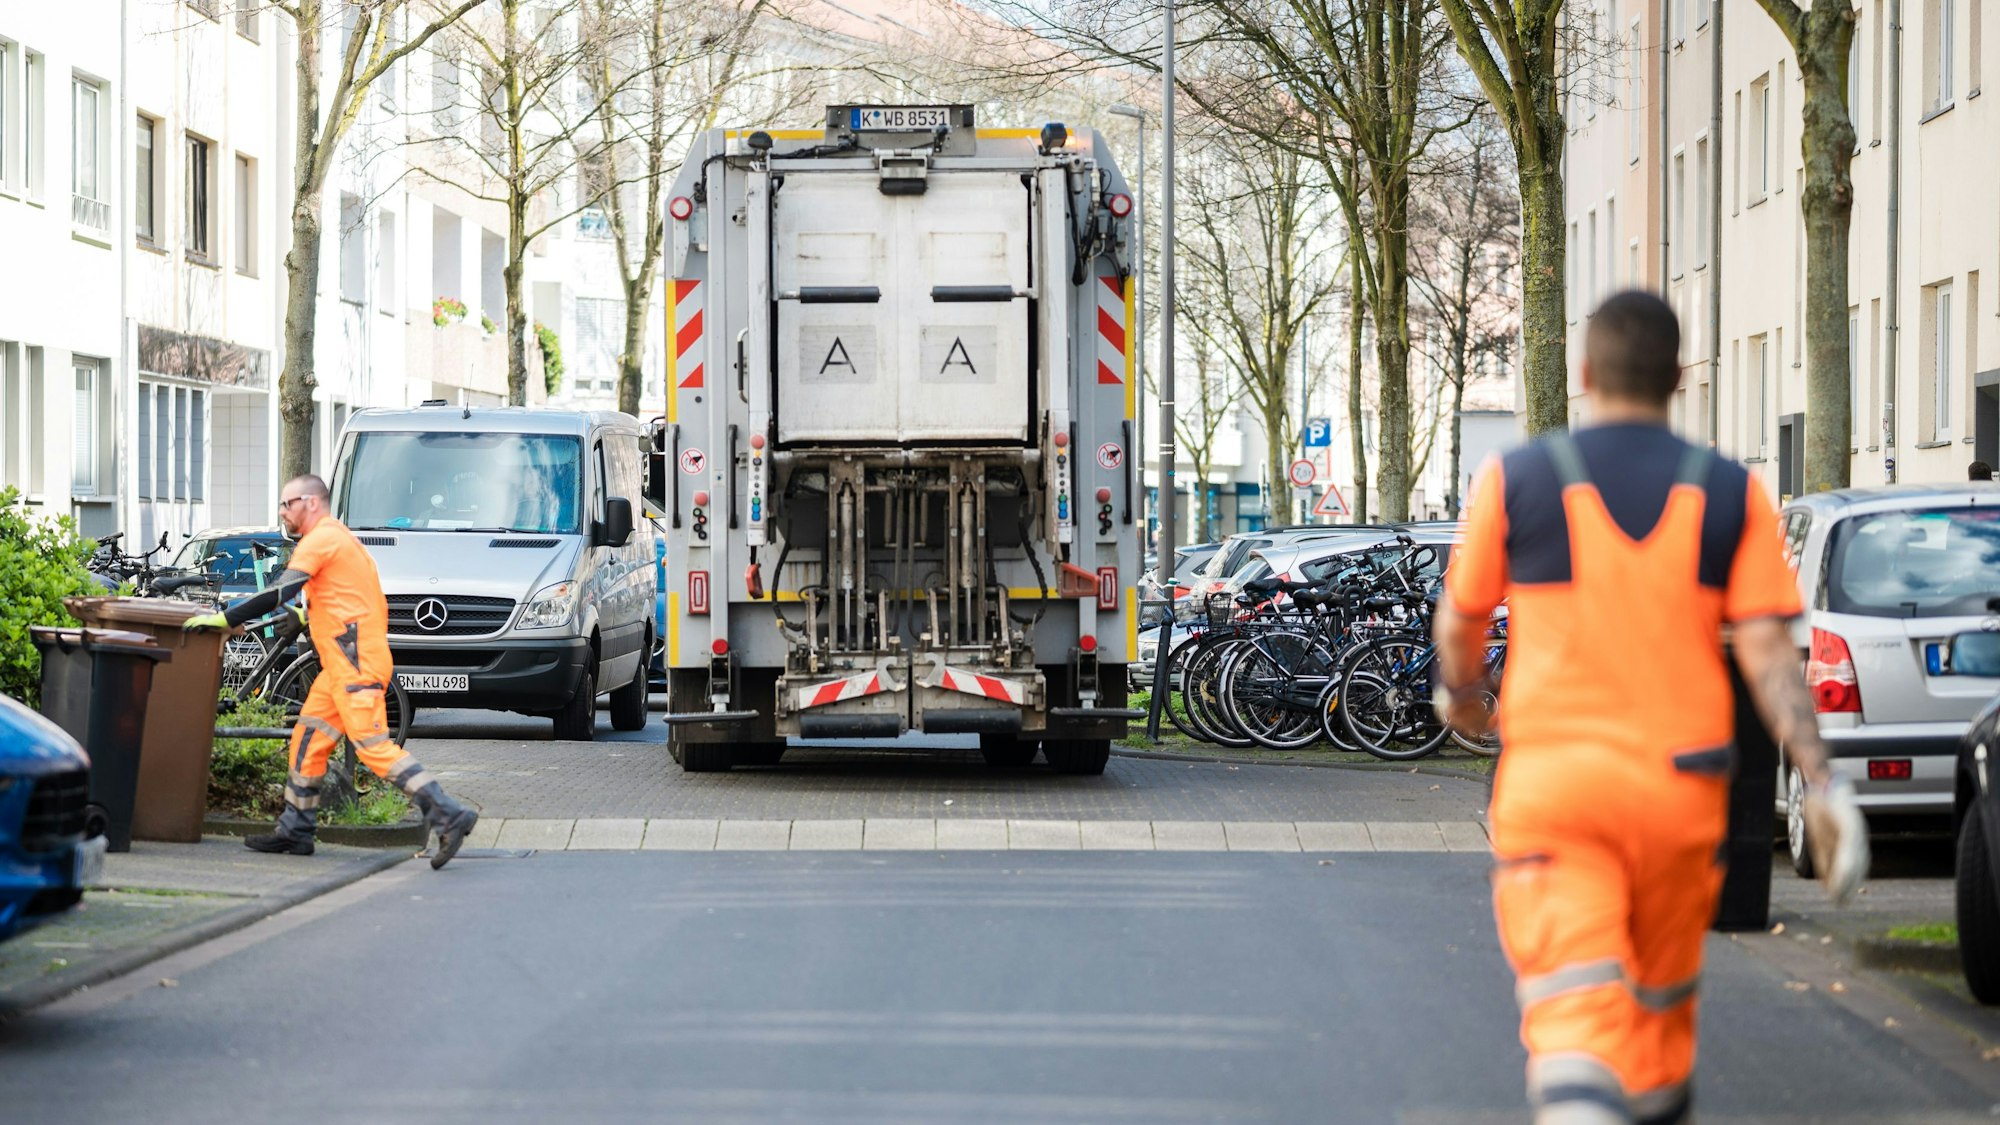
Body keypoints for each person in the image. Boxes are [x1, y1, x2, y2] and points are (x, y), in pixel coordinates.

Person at [1432, 291, 1868, 1125]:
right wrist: (1821, 780)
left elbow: (1461, 620)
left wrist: (1464, 698)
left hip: (1556, 792)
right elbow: (1772, 653)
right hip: (1682, 796)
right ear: (1678, 377)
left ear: (1586, 373)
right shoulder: (1730, 493)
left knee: (1575, 1009)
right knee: (1658, 1021)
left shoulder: (1518, 480)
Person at [185, 474, 479, 869]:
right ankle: (296, 829)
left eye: (287, 504)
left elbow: (277, 592)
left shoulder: (321, 539)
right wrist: (305, 615)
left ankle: (449, 814)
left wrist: (224, 620)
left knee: (374, 748)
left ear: (310, 502)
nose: (282, 512)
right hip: (341, 662)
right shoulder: (341, 540)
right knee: (308, 739)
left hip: (354, 662)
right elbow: (349, 596)